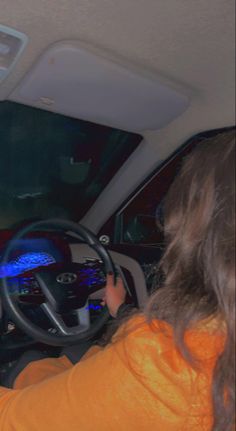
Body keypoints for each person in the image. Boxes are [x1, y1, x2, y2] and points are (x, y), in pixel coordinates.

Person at [0, 129, 235, 431]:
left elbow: (10, 420)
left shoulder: (167, 372)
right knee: (71, 352)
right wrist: (122, 312)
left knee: (28, 360)